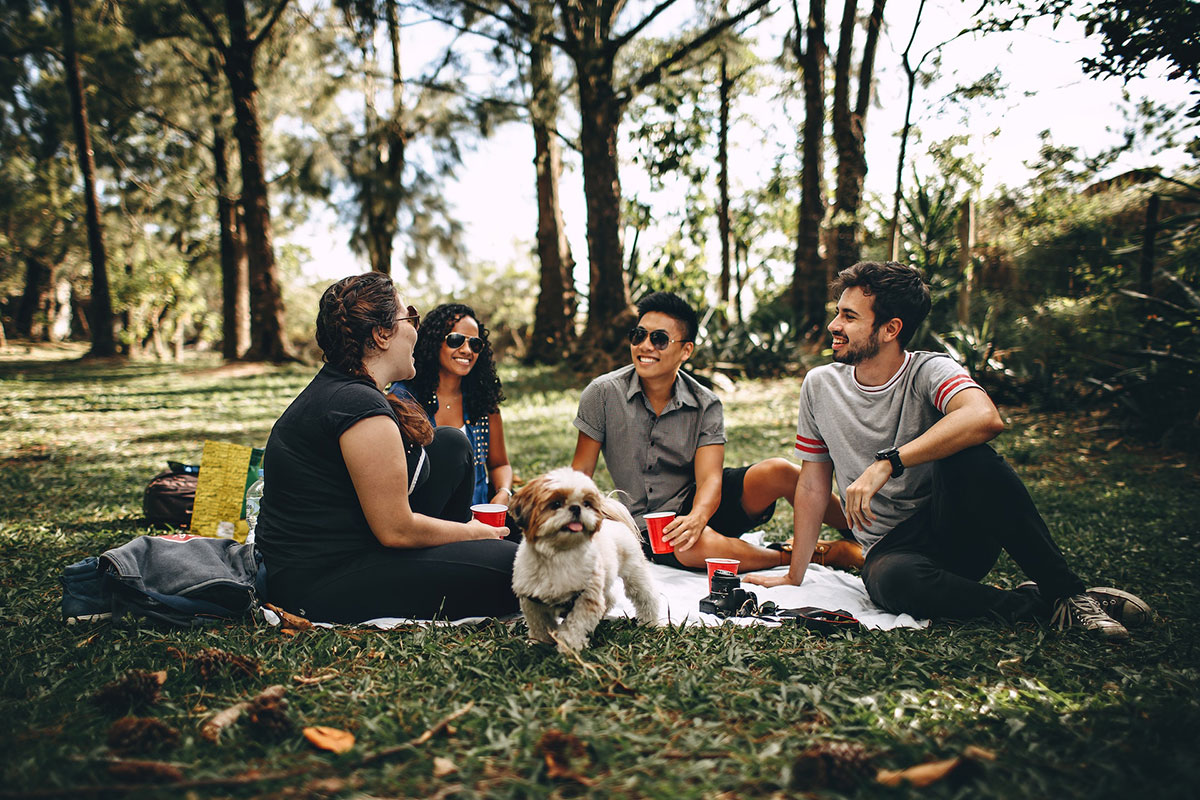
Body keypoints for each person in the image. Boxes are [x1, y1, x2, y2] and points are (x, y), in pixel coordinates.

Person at [745, 261, 1152, 641]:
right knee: (891, 582)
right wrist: (794, 576)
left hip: (955, 529)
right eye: (838, 312)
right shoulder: (820, 385)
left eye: (849, 317)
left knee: (972, 457)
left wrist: (890, 461)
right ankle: (1044, 606)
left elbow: (984, 417)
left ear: (890, 329)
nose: (834, 325)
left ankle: (1068, 592)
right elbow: (814, 485)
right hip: (892, 552)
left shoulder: (929, 369)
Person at [255, 273, 518, 623]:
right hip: (320, 580)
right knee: (519, 569)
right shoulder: (356, 405)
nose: (415, 329)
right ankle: (474, 554)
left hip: (357, 543)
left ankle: (469, 554)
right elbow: (396, 530)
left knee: (451, 445)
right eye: (409, 317)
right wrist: (473, 531)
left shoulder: (347, 389)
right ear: (381, 335)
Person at [571, 291, 854, 572]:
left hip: (702, 503)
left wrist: (697, 517)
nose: (645, 346)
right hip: (650, 525)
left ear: (686, 350)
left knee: (779, 471)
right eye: (638, 335)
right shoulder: (602, 394)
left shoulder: (705, 402)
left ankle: (866, 532)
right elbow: (580, 473)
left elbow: (709, 480)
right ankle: (809, 556)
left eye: (658, 339)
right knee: (689, 545)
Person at [391, 303, 513, 507]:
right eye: (456, 340)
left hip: (480, 519)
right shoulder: (403, 398)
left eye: (475, 344)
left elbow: (500, 464)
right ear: (434, 342)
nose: (466, 350)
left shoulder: (482, 399)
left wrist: (503, 493)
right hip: (426, 520)